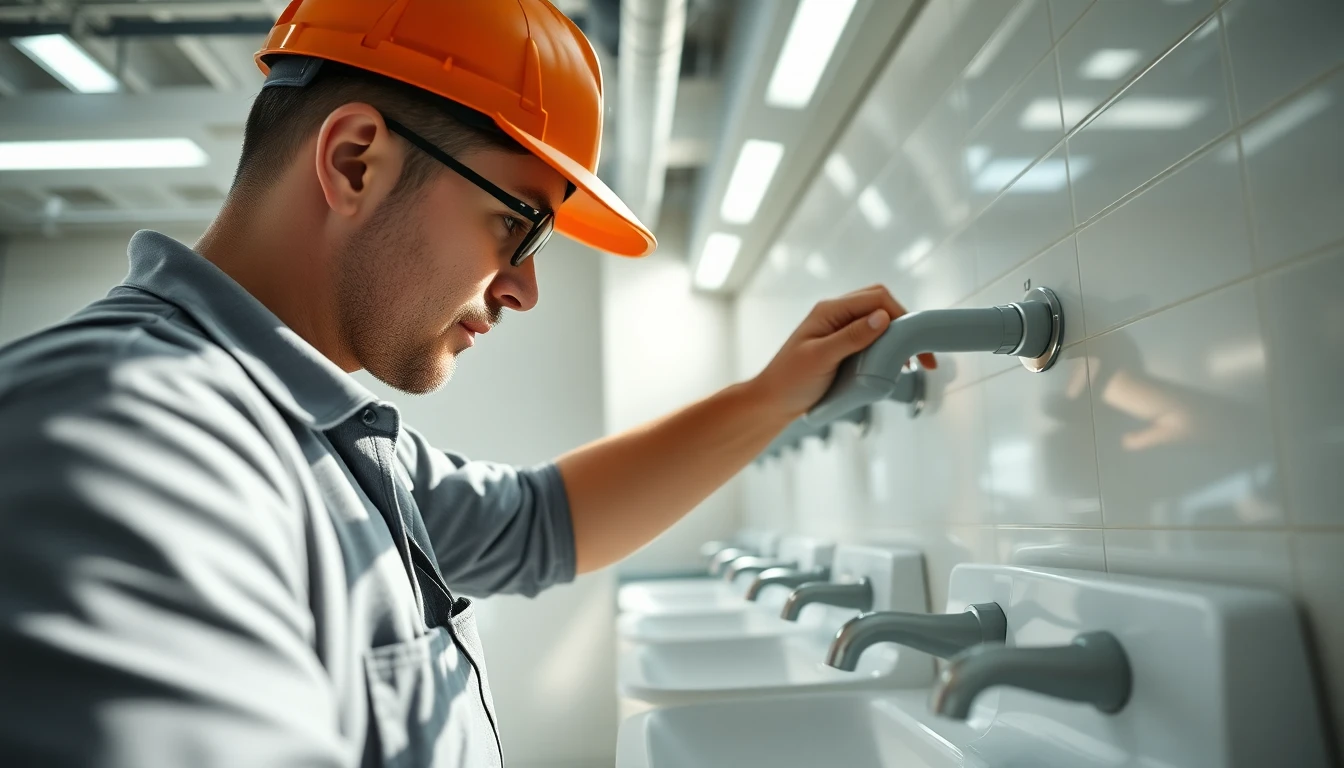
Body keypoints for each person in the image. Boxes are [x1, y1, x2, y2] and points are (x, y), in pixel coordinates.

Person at [0, 1, 933, 765]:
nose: (524, 288)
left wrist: (777, 394)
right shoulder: (121, 436)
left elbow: (541, 524)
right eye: (517, 224)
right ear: (354, 160)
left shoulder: (326, 436)